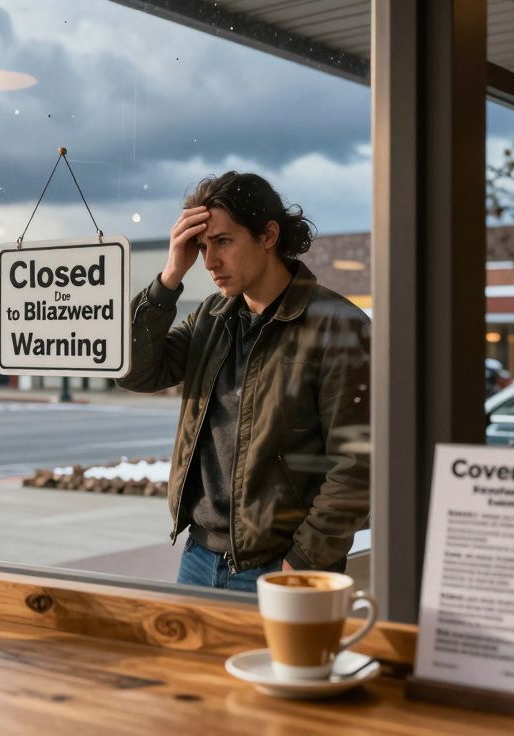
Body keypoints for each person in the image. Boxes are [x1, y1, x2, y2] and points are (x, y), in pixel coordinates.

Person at [117, 171, 371, 592]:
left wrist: (305, 559)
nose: (210, 261)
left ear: (268, 235)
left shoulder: (337, 326)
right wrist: (169, 277)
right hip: (199, 556)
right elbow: (135, 371)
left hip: (281, 565)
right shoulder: (211, 317)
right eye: (200, 246)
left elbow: (357, 462)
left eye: (223, 241)